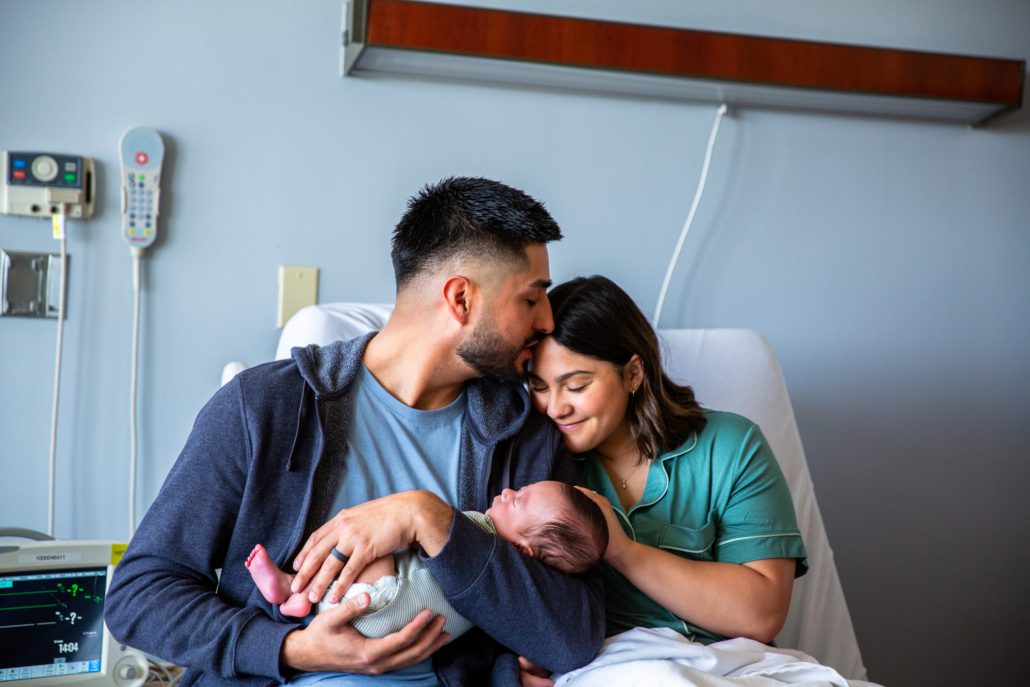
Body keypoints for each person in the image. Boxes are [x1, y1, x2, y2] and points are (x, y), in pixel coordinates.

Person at [104, 178, 605, 687]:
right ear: (460, 299)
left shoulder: (523, 436)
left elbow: (573, 634)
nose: (546, 321)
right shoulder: (264, 408)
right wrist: (291, 649)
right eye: (531, 298)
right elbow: (139, 597)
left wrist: (429, 519)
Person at [520, 275, 808, 686]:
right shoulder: (540, 471)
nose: (555, 408)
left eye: (577, 385)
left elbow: (761, 614)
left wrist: (621, 550)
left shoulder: (730, 447)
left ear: (633, 373)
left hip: (740, 668)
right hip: (614, 670)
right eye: (539, 387)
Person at [246, 480, 608, 642]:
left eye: (519, 501)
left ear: (526, 551)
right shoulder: (508, 586)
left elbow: (575, 635)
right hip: (370, 614)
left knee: (373, 546)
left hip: (378, 605)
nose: (509, 491)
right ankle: (294, 592)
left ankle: (295, 588)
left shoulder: (484, 535)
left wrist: (420, 512)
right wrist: (288, 651)